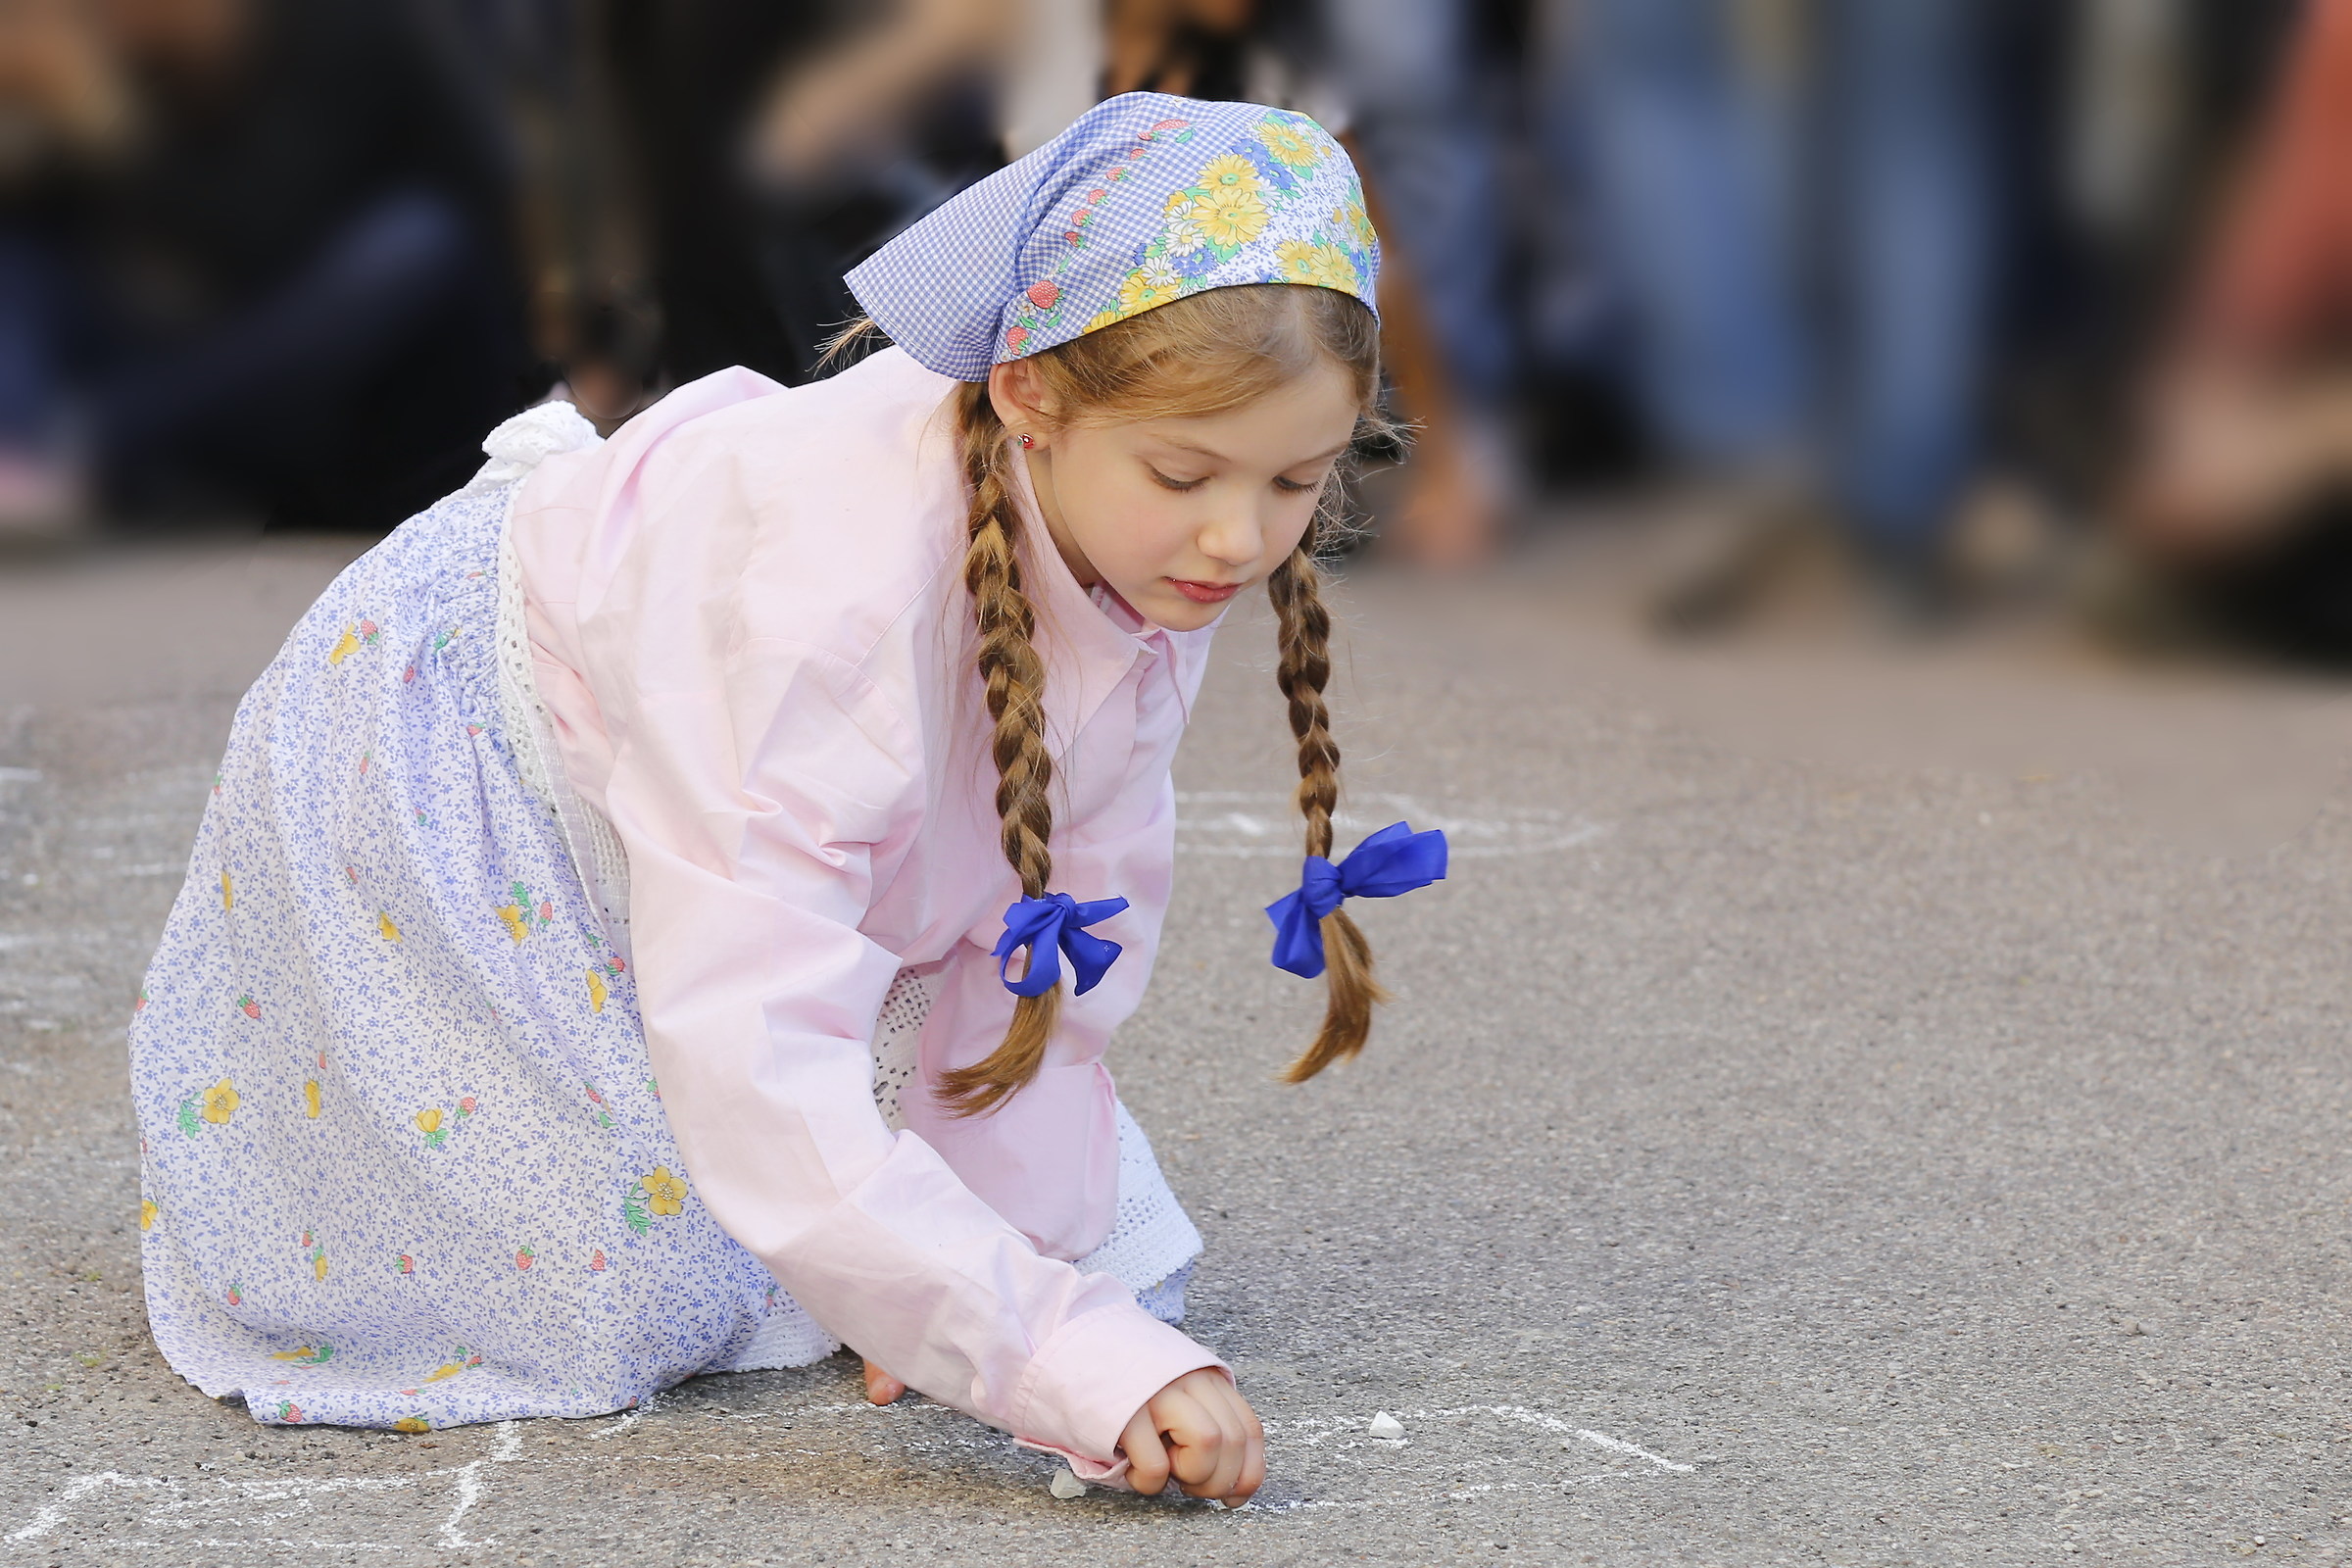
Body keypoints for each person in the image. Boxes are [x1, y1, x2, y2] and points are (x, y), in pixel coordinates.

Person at [128, 93, 1446, 1505]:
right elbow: (755, 1043)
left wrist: (996, 1287)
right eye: (1187, 474)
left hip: (749, 725)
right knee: (634, 1281)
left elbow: (1056, 918)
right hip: (460, 748)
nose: (1239, 539)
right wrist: (1039, 1347)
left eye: (1297, 481)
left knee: (1068, 1236)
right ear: (1030, 398)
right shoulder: (829, 616)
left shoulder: (1141, 541)